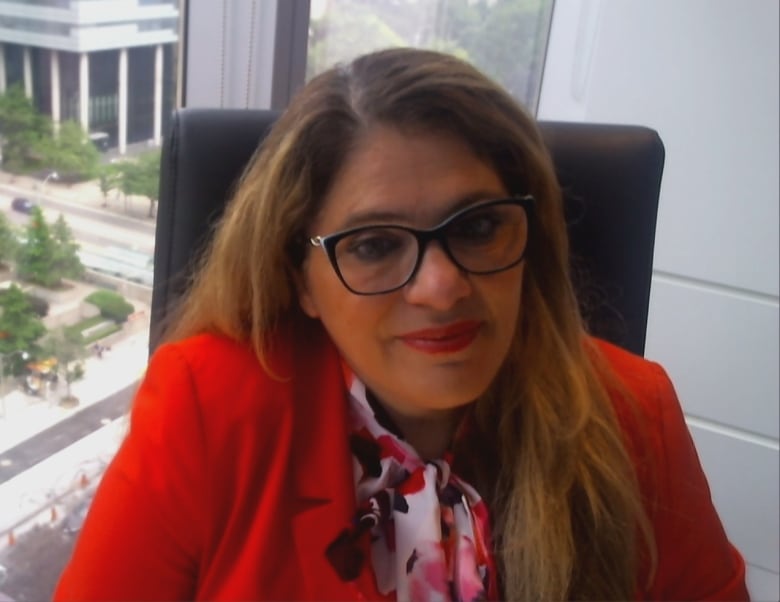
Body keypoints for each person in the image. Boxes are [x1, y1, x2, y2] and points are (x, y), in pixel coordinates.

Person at [55, 48, 748, 601]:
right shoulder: (206, 407)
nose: (442, 288)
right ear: (300, 278)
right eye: (375, 245)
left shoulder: (632, 411)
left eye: (478, 227)